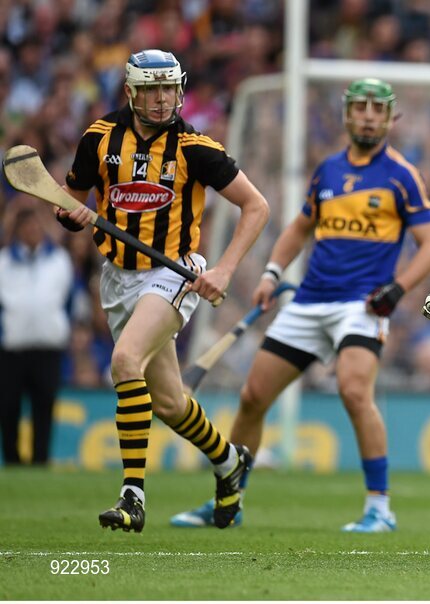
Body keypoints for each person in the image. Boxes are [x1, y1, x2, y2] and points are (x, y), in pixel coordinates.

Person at [170, 78, 430, 533]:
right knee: (253, 397)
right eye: (361, 107)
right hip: (309, 300)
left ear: (391, 117)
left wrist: (397, 290)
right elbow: (298, 230)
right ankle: (229, 500)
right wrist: (272, 274)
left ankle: (380, 508)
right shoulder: (328, 172)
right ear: (347, 114)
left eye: (378, 109)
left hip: (361, 306)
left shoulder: (402, 175)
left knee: (355, 392)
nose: (369, 116)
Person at [56, 49, 270, 532]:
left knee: (125, 362)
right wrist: (70, 214)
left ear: (180, 89)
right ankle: (228, 461)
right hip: (115, 277)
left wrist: (225, 270)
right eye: (150, 90)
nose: (160, 100)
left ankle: (132, 496)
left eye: (168, 89)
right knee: (171, 403)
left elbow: (256, 207)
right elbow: (68, 200)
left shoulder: (196, 147)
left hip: (172, 273)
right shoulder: (99, 137)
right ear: (131, 91)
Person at [0, 207, 73, 466]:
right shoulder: (4, 263)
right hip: (12, 349)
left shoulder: (59, 260)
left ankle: (41, 461)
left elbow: (68, 302)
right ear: (18, 231)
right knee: (8, 408)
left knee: (44, 408)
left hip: (47, 347)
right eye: (27, 227)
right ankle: (11, 460)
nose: (32, 231)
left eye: (36, 227)